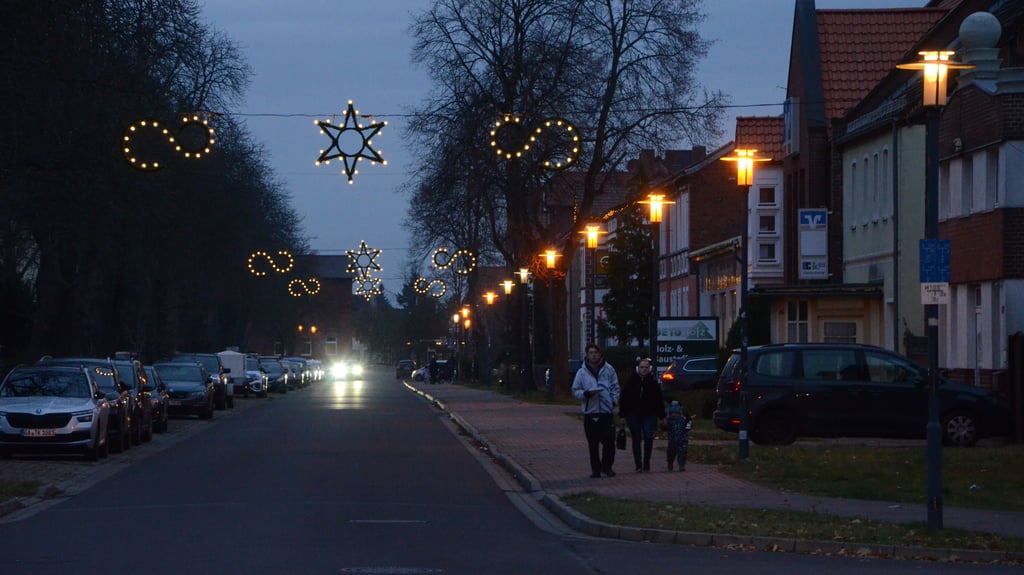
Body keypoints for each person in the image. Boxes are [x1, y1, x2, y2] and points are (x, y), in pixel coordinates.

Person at [571, 343, 621, 478]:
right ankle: (596, 470)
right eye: (591, 352)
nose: (593, 355)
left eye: (596, 352)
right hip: (591, 412)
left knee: (609, 442)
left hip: (606, 411)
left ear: (600, 354)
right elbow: (575, 389)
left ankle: (607, 467)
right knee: (593, 444)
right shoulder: (582, 372)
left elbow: (615, 387)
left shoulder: (609, 369)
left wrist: (612, 402)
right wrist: (585, 394)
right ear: (587, 355)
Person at [618, 357, 666, 472]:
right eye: (642, 367)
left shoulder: (653, 383)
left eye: (646, 367)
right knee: (636, 438)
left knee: (649, 437)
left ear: (649, 369)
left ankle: (646, 462)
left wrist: (662, 416)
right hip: (633, 414)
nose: (644, 369)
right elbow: (624, 399)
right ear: (637, 368)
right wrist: (622, 415)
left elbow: (658, 400)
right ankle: (638, 464)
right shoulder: (630, 382)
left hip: (649, 414)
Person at [665, 400, 692, 471]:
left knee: (682, 452)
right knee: (671, 452)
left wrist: (689, 421)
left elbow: (688, 428)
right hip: (672, 440)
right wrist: (664, 426)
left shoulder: (683, 420)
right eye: (672, 413)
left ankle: (681, 465)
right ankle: (670, 463)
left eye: (676, 413)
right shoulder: (668, 420)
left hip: (683, 440)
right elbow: (665, 428)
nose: (674, 415)